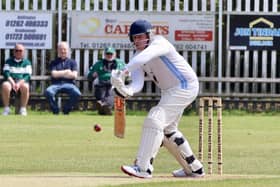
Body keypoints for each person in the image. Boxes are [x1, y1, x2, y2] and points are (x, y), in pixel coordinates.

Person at [111, 20, 205, 178]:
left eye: (141, 37)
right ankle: (194, 168)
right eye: (135, 38)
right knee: (169, 132)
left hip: (185, 85)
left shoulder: (160, 43)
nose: (138, 41)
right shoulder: (137, 56)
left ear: (149, 35)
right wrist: (124, 89)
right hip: (169, 91)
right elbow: (137, 84)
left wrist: (124, 71)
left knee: (155, 119)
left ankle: (143, 168)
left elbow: (143, 58)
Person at [45, 41, 81, 115]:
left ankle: (66, 109)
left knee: (77, 93)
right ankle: (55, 110)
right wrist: (67, 72)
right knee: (48, 92)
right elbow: (54, 74)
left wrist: (60, 73)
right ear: (58, 50)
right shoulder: (54, 62)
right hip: (56, 84)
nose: (63, 51)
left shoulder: (72, 62)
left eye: (64, 49)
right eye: (61, 49)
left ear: (68, 50)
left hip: (69, 84)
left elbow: (74, 75)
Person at [87, 47, 126, 115]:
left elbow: (127, 73)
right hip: (101, 83)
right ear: (104, 54)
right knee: (101, 91)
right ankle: (105, 107)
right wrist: (93, 75)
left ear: (114, 54)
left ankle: (104, 106)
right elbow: (89, 76)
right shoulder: (98, 63)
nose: (109, 55)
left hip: (114, 83)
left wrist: (125, 75)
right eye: (107, 54)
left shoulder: (120, 63)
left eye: (111, 54)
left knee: (111, 92)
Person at [1, 44, 32, 116]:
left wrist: (19, 83)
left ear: (23, 52)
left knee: (25, 87)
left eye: (20, 51)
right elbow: (6, 73)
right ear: (14, 52)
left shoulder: (27, 62)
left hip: (21, 82)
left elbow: (27, 75)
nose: (18, 52)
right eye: (16, 50)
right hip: (11, 81)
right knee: (5, 85)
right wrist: (12, 82)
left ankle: (23, 109)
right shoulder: (8, 61)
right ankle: (6, 109)